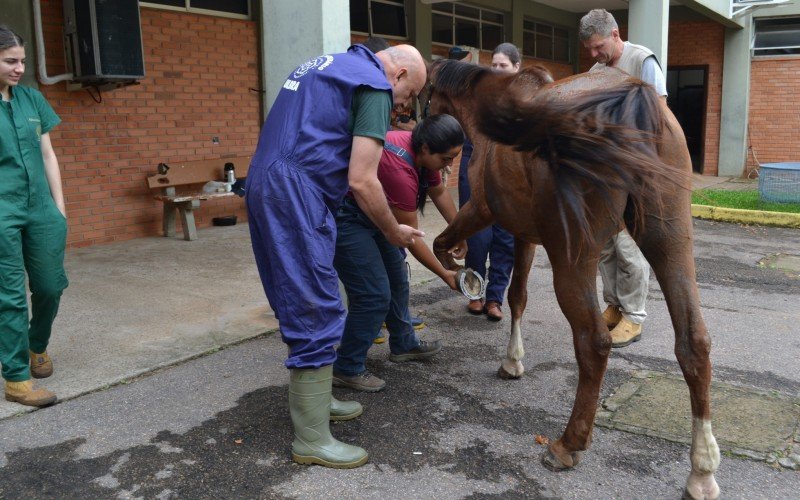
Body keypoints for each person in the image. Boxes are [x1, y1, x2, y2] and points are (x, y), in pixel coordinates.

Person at [246, 43, 427, 469]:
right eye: (409, 94)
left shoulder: (328, 65)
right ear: (398, 74)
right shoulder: (374, 86)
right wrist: (392, 230)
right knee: (315, 302)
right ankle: (311, 439)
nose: (403, 107)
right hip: (297, 188)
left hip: (268, 178)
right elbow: (363, 180)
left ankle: (320, 398)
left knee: (305, 293)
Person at [332, 114, 466, 392]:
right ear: (427, 148)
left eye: (453, 158)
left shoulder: (423, 152)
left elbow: (440, 192)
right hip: (348, 217)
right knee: (373, 294)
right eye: (446, 159)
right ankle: (346, 366)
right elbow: (410, 239)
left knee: (396, 276)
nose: (449, 165)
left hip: (376, 215)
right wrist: (444, 274)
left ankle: (404, 343)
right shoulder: (400, 170)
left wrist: (458, 232)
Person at [579, 9, 666, 348]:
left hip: (634, 174)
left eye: (599, 46)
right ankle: (614, 305)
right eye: (589, 48)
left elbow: (660, 118)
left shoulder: (642, 60)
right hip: (603, 176)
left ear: (615, 35)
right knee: (606, 247)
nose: (594, 54)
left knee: (629, 248)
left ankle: (634, 315)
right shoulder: (596, 71)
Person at [0, 25, 67, 407]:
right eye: (11, 61)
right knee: (9, 295)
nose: (19, 68)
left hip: (42, 208)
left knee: (49, 285)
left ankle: (36, 344)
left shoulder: (32, 100)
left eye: (22, 60)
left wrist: (59, 207)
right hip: (2, 210)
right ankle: (16, 379)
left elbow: (47, 155)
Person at [457, 43, 520, 322]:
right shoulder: (477, 95)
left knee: (505, 238)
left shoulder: (523, 99)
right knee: (477, 235)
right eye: (493, 64)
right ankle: (475, 293)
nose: (496, 70)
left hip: (509, 172)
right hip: (476, 164)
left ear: (517, 68)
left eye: (503, 65)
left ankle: (495, 298)